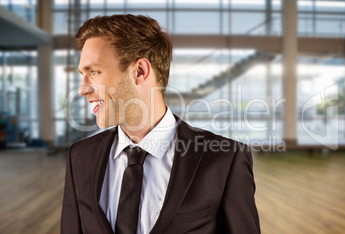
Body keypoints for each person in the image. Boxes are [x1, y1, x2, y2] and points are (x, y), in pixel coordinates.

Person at [61, 14, 260, 234]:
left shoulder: (225, 160)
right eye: (83, 74)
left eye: (94, 72)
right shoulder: (79, 158)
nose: (82, 88)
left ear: (140, 71)